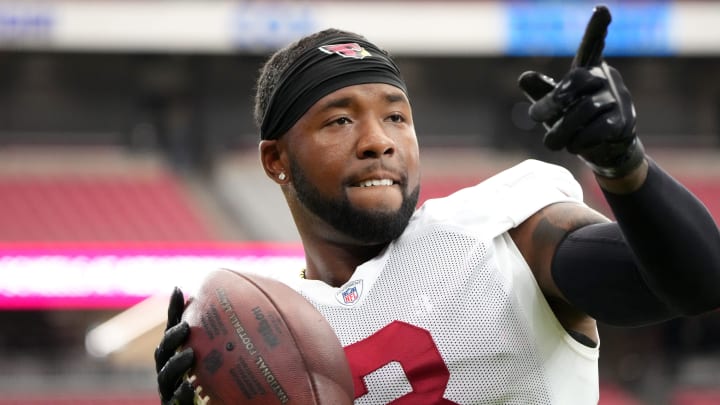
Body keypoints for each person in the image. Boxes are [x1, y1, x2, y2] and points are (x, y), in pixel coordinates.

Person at [154, 6, 720, 404]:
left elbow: (699, 283)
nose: (380, 140)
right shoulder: (267, 326)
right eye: (341, 119)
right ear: (276, 159)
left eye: (396, 116)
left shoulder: (503, 234)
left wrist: (625, 165)